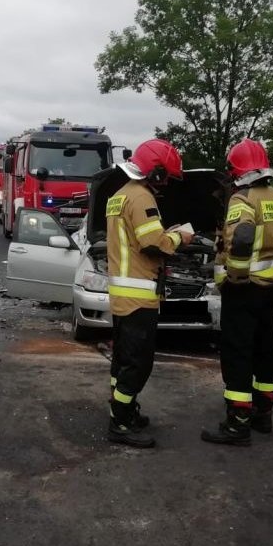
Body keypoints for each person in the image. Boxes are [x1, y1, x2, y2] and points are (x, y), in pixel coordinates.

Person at [202, 139, 273, 447]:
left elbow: (241, 238)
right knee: (265, 348)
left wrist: (236, 276)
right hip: (271, 288)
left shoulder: (243, 199)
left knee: (238, 352)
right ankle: (262, 413)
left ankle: (237, 423)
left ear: (237, 170)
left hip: (245, 290)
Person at [105, 138, 193, 448]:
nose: (166, 182)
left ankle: (123, 412)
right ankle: (120, 423)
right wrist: (181, 237)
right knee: (138, 363)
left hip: (122, 295)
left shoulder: (118, 195)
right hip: (139, 296)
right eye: (165, 175)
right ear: (154, 172)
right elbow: (154, 244)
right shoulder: (142, 198)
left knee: (123, 360)